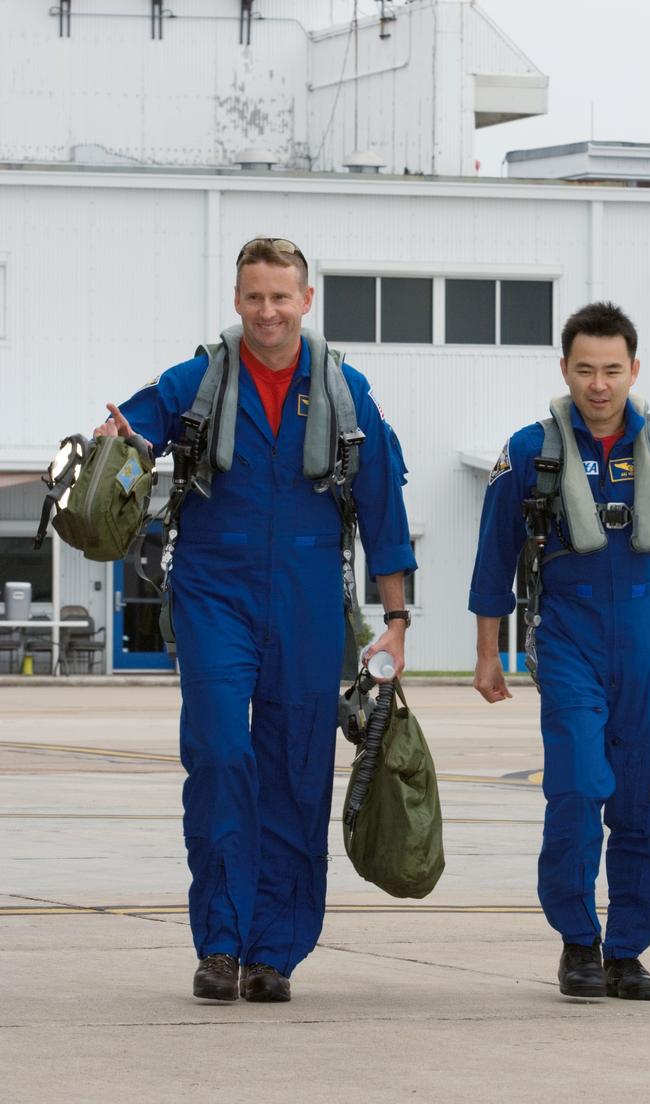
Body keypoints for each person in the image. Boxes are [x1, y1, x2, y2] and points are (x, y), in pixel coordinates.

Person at [95, 237, 416, 1004]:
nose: (267, 312)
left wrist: (396, 618)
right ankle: (220, 944)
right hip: (214, 589)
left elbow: (384, 510)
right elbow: (128, 435)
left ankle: (275, 951)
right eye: (253, 297)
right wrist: (118, 444)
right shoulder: (197, 378)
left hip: (307, 594)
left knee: (297, 771)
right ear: (237, 301)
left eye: (281, 297)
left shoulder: (347, 393)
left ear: (307, 301)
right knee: (218, 753)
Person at [469, 301, 650, 1003]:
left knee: (645, 800)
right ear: (565, 369)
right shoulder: (531, 450)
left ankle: (626, 950)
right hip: (568, 635)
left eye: (613, 370)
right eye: (586, 370)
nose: (600, 384)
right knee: (577, 786)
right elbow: (492, 560)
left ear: (634, 369)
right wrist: (487, 655)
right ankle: (576, 941)